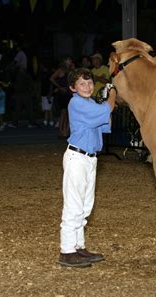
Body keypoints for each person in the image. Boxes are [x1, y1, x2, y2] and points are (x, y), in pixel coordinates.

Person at [59, 68, 116, 268]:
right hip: (77, 157)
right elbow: (107, 110)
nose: (87, 87)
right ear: (73, 88)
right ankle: (67, 251)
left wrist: (106, 107)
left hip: (90, 159)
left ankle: (78, 246)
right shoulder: (76, 103)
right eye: (82, 84)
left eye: (90, 82)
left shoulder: (91, 103)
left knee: (85, 206)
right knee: (74, 205)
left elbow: (105, 123)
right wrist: (112, 96)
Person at [50, 56, 74, 138]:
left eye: (70, 60)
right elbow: (52, 78)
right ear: (65, 61)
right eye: (69, 60)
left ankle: (65, 131)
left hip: (70, 93)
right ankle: (60, 131)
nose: (70, 61)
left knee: (68, 113)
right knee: (63, 112)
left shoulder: (71, 70)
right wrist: (59, 87)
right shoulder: (60, 70)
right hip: (63, 93)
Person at [40, 62, 54, 127]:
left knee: (47, 108)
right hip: (44, 93)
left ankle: (46, 121)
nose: (41, 67)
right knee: (48, 108)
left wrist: (50, 93)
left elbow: (51, 84)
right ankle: (51, 121)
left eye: (42, 65)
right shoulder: (43, 73)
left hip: (48, 93)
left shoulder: (49, 74)